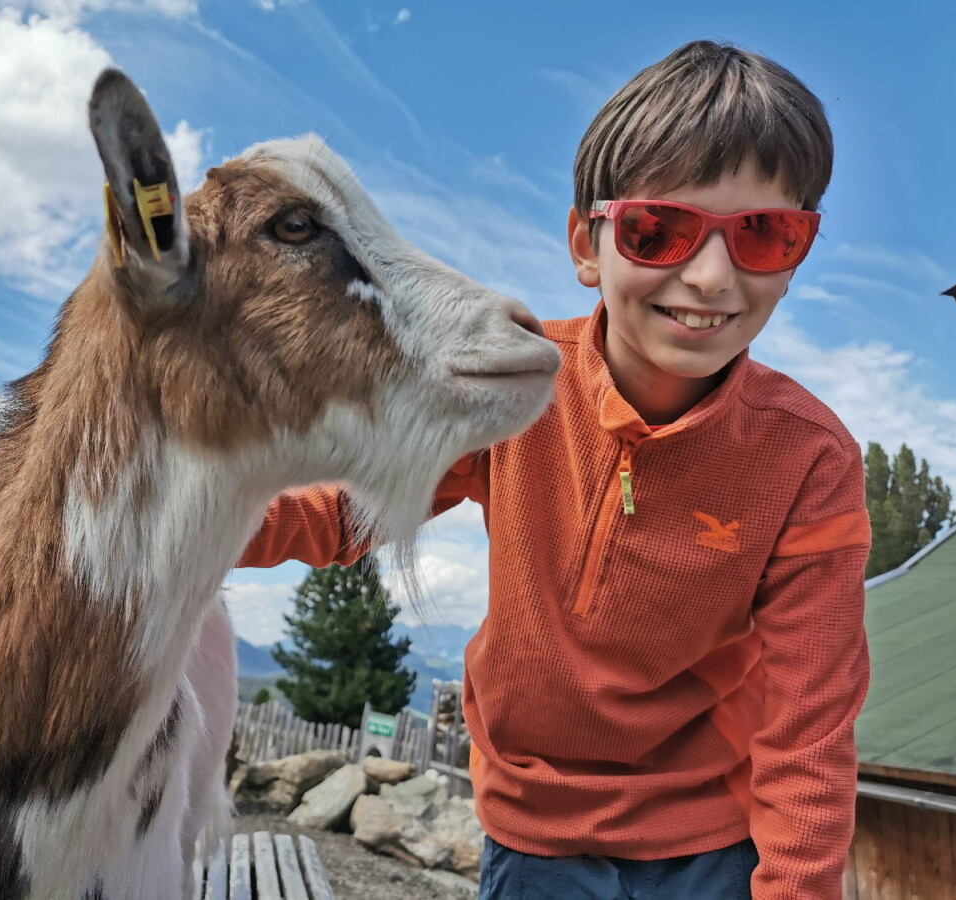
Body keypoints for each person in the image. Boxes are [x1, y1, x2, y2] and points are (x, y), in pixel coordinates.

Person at [239, 40, 869, 899]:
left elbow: (810, 726)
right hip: (536, 834)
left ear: (798, 254)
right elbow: (346, 507)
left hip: (710, 841)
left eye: (764, 232)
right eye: (661, 229)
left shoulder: (808, 461)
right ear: (587, 243)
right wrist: (183, 516)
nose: (713, 275)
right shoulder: (514, 383)